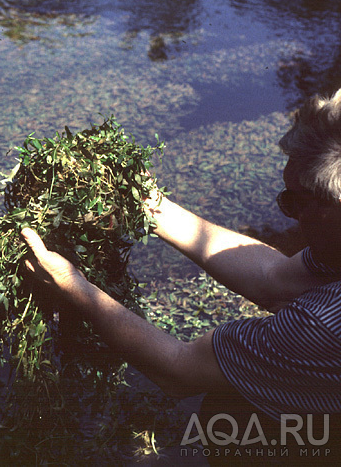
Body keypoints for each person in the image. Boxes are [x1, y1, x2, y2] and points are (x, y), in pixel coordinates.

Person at [20, 89, 341, 464]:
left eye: (294, 202)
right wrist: (148, 204)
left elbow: (179, 370)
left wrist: (73, 287)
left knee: (236, 421)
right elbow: (274, 278)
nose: (291, 215)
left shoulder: (324, 326)